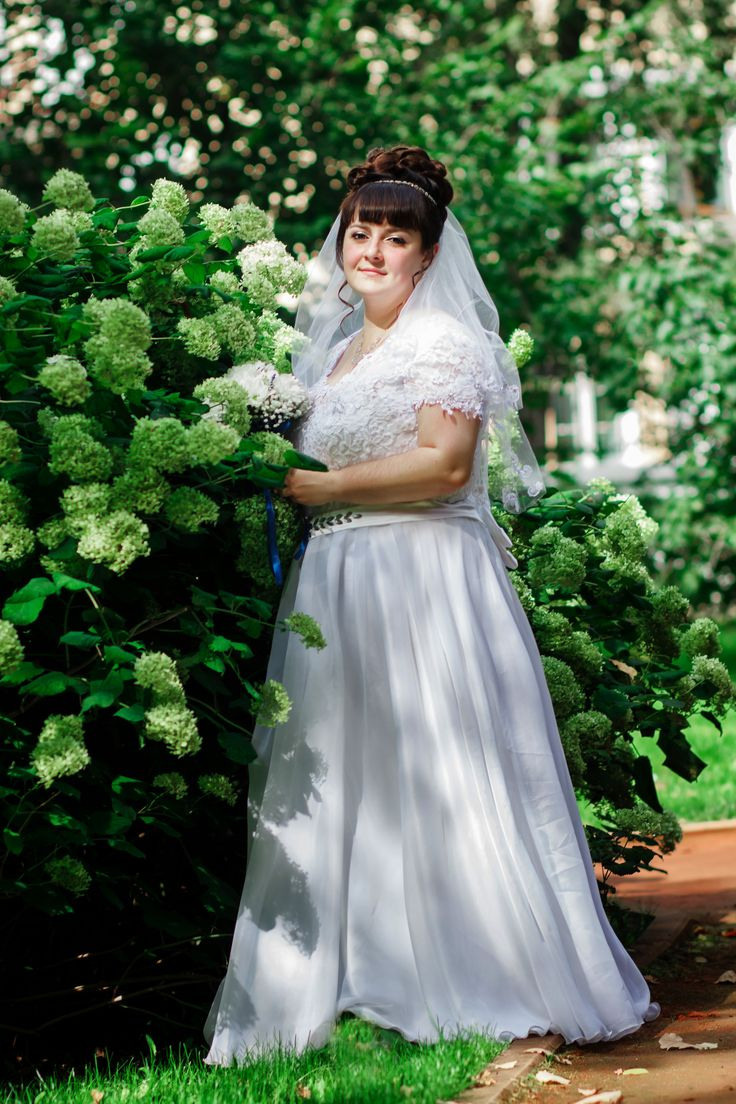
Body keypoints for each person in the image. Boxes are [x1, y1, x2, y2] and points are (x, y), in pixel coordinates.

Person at [202, 145, 660, 1065]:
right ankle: (349, 980)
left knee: (442, 772)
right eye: (359, 229)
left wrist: (308, 488)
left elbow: (444, 466)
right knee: (346, 774)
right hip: (340, 582)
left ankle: (477, 972)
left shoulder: (445, 342)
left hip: (421, 580)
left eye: (394, 235)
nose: (371, 247)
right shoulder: (337, 352)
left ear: (426, 251)